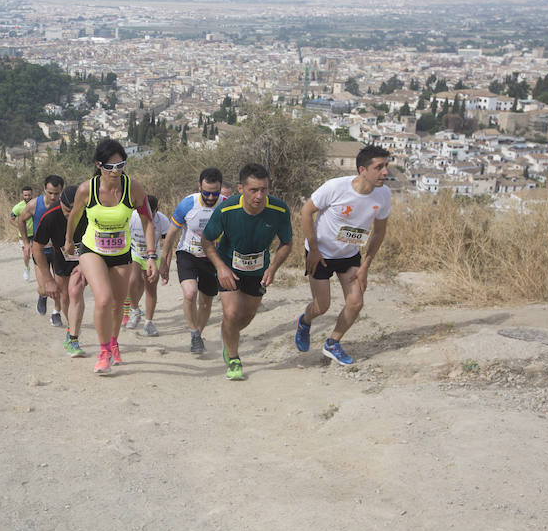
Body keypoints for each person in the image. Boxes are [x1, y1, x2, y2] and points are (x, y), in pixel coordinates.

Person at [64, 139, 158, 375]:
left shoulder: (133, 188)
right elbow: (74, 216)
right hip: (92, 249)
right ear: (99, 165)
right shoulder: (87, 189)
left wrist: (151, 256)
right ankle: (104, 350)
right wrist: (68, 240)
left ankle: (114, 343)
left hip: (121, 252)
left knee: (117, 304)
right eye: (110, 166)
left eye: (121, 165)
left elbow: (148, 221)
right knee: (104, 299)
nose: (116, 171)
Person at [296, 144, 391, 366]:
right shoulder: (336, 187)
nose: (385, 172)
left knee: (356, 302)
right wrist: (313, 249)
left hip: (349, 255)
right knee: (321, 307)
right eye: (379, 167)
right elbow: (306, 211)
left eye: (386, 166)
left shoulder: (384, 194)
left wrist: (366, 265)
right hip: (321, 254)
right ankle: (304, 321)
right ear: (362, 170)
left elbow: (379, 232)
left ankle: (333, 342)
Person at [202, 163, 293, 381]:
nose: (260, 195)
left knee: (246, 316)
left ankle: (228, 335)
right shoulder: (227, 209)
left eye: (264, 189)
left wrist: (273, 268)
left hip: (258, 271)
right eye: (254, 190)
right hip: (229, 268)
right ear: (240, 188)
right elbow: (206, 240)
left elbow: (287, 243)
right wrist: (220, 268)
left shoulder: (279, 210)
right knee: (232, 313)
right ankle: (233, 358)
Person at [159, 167, 224, 353]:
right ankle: (194, 334)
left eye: (215, 193)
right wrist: (163, 261)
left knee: (206, 302)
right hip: (188, 254)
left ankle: (198, 335)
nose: (211, 197)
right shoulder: (188, 204)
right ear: (199, 187)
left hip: (212, 258)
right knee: (189, 293)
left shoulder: (226, 204)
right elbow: (171, 234)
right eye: (207, 193)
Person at [32, 185, 90, 357]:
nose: (70, 214)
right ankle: (70, 328)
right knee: (64, 296)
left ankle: (73, 339)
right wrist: (48, 280)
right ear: (60, 203)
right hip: (61, 259)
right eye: (66, 210)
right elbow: (37, 248)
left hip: (86, 256)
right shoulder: (50, 216)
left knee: (76, 292)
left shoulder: (90, 213)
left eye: (75, 210)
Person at [17, 175, 65, 326]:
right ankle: (42, 296)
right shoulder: (34, 204)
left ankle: (56, 313)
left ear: (61, 191)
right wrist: (26, 243)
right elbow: (21, 220)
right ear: (44, 189)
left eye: (56, 193)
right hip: (41, 252)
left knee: (59, 286)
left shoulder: (64, 205)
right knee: (45, 288)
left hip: (59, 252)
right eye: (50, 192)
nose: (53, 196)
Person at [125, 195, 170, 336]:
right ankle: (134, 310)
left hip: (153, 255)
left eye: (152, 213)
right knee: (132, 280)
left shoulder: (162, 220)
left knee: (150, 287)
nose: (147, 216)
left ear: (157, 209)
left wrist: (165, 266)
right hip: (135, 252)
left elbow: (167, 246)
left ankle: (148, 322)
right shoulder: (132, 217)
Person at [10, 186, 34, 281]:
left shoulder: (36, 204)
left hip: (36, 233)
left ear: (32, 194)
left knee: (38, 255)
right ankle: (27, 268)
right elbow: (11, 220)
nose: (27, 197)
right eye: (25, 195)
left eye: (29, 195)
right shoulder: (18, 207)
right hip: (24, 235)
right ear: (22, 195)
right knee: (26, 254)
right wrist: (20, 227)